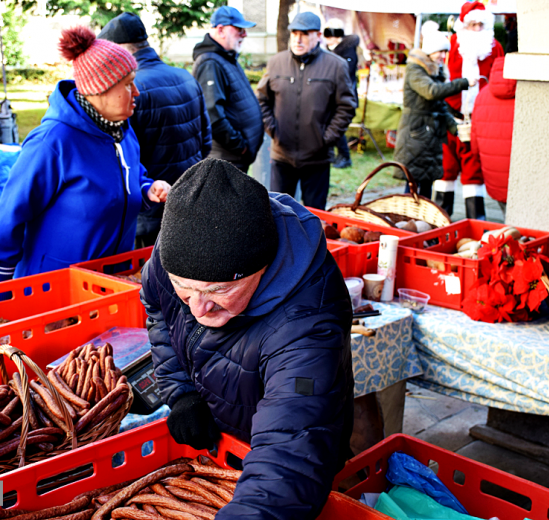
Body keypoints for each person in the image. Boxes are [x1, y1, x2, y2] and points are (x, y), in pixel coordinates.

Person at [140, 157, 354, 520]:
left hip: (280, 464)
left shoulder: (309, 323)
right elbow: (158, 310)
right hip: (219, 446)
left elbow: (292, 446)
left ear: (261, 267)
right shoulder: (173, 253)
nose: (198, 308)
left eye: (219, 291)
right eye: (184, 289)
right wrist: (181, 392)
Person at [0, 26, 170, 282]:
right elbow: (12, 210)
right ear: (100, 89)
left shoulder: (123, 131)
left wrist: (147, 189)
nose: (137, 92)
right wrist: (2, 287)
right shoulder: (53, 141)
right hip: (55, 285)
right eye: (128, 85)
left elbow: (128, 178)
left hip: (111, 279)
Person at [98, 13, 212, 249]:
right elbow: (206, 143)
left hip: (149, 213)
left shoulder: (127, 91)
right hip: (188, 204)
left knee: (149, 281)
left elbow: (121, 160)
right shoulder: (185, 77)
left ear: (120, 50)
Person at [257, 12, 356, 210]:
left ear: (318, 36)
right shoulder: (277, 62)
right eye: (294, 33)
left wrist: (326, 138)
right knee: (277, 212)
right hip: (282, 155)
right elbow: (261, 99)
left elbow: (346, 106)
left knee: (315, 215)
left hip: (317, 158)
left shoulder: (336, 65)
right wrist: (273, 130)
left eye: (304, 33)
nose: (298, 39)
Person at [433, 1, 504, 220]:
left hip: (479, 119)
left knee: (474, 170)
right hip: (449, 115)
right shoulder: (450, 46)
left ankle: (475, 220)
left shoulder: (495, 48)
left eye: (480, 25)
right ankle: (440, 219)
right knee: (446, 168)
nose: (477, 30)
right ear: (463, 26)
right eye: (472, 25)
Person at [394, 22, 471, 199]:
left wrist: (456, 129)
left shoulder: (433, 71)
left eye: (445, 52)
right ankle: (408, 222)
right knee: (413, 183)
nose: (443, 56)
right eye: (440, 52)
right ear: (429, 51)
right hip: (416, 133)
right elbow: (431, 92)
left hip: (429, 134)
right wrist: (463, 83)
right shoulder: (416, 70)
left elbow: (440, 106)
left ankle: (425, 222)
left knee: (427, 182)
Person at [192, 6, 263, 172]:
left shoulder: (226, 57)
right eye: (239, 29)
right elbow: (212, 115)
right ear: (221, 30)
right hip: (226, 160)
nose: (244, 34)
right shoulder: (210, 63)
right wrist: (239, 146)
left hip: (233, 159)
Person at [471, 57, 516, 215]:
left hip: (493, 172)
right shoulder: (529, 96)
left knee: (508, 218)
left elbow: (474, 141)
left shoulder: (482, 95)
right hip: (520, 173)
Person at [324, 18, 360, 169]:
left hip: (343, 96)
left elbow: (346, 74)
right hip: (334, 95)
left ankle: (345, 156)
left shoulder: (347, 50)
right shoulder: (334, 49)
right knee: (331, 124)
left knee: (337, 126)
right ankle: (336, 155)